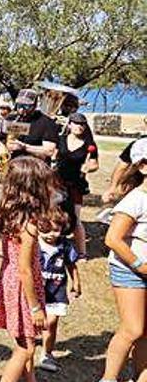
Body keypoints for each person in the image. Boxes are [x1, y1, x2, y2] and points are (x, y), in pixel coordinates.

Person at [0, 156, 56, 382]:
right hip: (23, 287)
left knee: (25, 341)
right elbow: (25, 269)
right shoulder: (29, 225)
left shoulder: (10, 215)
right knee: (25, 349)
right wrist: (35, 307)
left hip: (11, 280)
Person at [100, 138, 147, 382]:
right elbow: (113, 239)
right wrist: (141, 265)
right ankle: (108, 379)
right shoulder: (135, 200)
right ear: (143, 166)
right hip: (130, 270)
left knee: (146, 333)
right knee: (133, 329)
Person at [36, 210, 81, 373]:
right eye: (45, 230)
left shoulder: (65, 246)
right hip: (36, 292)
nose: (50, 235)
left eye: (55, 230)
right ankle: (28, 348)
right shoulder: (33, 244)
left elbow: (71, 265)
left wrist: (76, 282)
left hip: (57, 290)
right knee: (34, 322)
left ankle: (46, 353)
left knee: (51, 322)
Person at [54, 112, 97, 256]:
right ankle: (55, 245)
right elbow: (52, 154)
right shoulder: (60, 139)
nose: (80, 127)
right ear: (70, 124)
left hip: (76, 184)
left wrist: (89, 167)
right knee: (55, 214)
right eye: (77, 123)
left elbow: (94, 164)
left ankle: (82, 252)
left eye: (83, 124)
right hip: (57, 182)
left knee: (76, 218)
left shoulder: (90, 145)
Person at [0, 88, 59, 163]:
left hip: (34, 166)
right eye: (19, 105)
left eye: (26, 106)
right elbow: (1, 140)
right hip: (10, 163)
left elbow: (49, 151)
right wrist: (3, 153)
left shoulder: (47, 122)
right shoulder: (11, 118)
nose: (21, 110)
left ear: (34, 106)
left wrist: (24, 147)